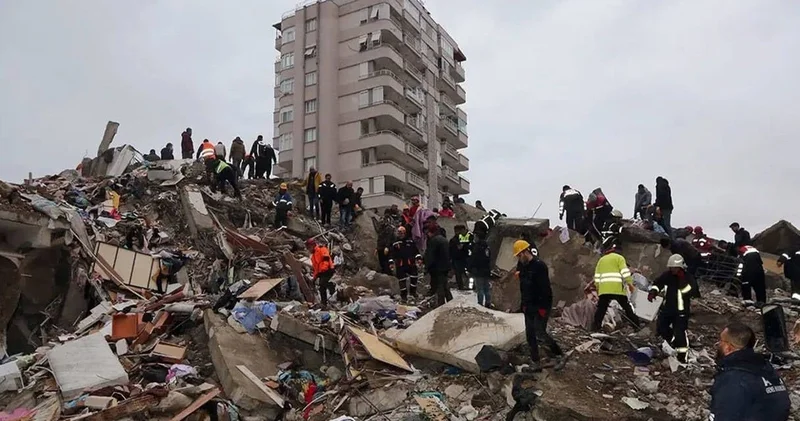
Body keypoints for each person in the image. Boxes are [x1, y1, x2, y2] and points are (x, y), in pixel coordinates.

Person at [709, 322, 790, 421]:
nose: (718, 344)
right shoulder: (766, 369)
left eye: (721, 341)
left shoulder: (734, 379)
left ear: (727, 347)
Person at [514, 240, 564, 372]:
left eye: (520, 255)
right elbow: (524, 287)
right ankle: (535, 361)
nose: (519, 258)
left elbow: (545, 289)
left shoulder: (539, 266)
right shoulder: (523, 266)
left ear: (526, 252)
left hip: (540, 305)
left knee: (539, 332)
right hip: (528, 305)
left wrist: (542, 308)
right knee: (530, 334)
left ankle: (558, 355)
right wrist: (523, 305)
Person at [648, 254, 695, 363]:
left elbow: (690, 291)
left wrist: (681, 280)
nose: (672, 269)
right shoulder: (668, 275)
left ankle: (682, 358)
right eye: (671, 267)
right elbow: (658, 283)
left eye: (674, 268)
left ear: (680, 267)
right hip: (668, 308)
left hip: (681, 311)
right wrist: (653, 291)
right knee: (661, 328)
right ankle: (670, 344)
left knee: (680, 334)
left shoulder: (688, 278)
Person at [591, 237, 641, 332]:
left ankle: (595, 327)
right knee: (627, 308)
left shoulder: (602, 260)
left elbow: (596, 277)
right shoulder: (619, 258)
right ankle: (636, 326)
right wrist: (630, 284)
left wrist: (598, 288)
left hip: (604, 290)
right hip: (617, 289)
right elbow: (625, 272)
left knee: (601, 309)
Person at [389, 226, 422, 303]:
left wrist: (419, 258)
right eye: (399, 232)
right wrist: (391, 263)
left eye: (402, 232)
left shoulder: (410, 241)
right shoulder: (395, 243)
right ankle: (403, 296)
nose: (400, 234)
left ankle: (413, 293)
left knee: (414, 277)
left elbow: (416, 251)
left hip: (411, 262)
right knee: (402, 280)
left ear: (405, 233)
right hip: (400, 264)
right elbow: (391, 254)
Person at [424, 220, 452, 307]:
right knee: (445, 285)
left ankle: (441, 305)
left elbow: (430, 256)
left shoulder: (434, 241)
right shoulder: (444, 240)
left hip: (437, 268)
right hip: (445, 266)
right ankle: (451, 302)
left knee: (440, 287)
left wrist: (427, 267)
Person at [307, 239, 336, 308]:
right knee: (321, 286)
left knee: (322, 284)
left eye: (309, 247)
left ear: (313, 245)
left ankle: (331, 289)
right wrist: (314, 277)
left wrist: (323, 269)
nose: (309, 249)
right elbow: (316, 268)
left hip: (328, 270)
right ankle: (324, 302)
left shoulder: (322, 249)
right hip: (321, 272)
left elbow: (326, 260)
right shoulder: (313, 256)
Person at [470, 229, 492, 307]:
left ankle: (480, 304)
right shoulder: (487, 246)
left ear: (478, 237)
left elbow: (474, 259)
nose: (474, 238)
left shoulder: (477, 247)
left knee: (480, 289)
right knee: (486, 288)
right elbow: (489, 258)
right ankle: (488, 302)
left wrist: (471, 267)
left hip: (478, 271)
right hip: (486, 270)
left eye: (475, 236)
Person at [450, 225, 473, 290]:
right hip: (458, 258)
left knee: (467, 273)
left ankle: (469, 286)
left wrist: (464, 246)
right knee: (458, 273)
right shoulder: (454, 239)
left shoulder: (469, 236)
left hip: (465, 258)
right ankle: (461, 286)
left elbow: (471, 246)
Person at [377, 209, 398, 275]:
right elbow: (380, 236)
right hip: (381, 245)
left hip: (387, 245)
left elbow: (389, 237)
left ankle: (388, 273)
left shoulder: (389, 224)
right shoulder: (382, 224)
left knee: (387, 261)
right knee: (382, 260)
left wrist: (387, 246)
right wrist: (377, 247)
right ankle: (384, 272)